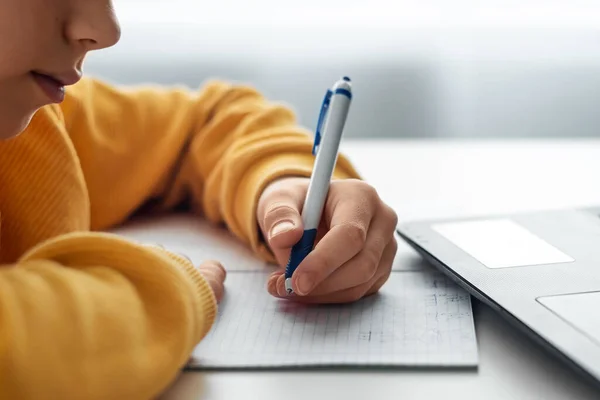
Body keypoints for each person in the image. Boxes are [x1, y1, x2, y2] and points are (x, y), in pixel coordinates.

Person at [0, 0, 399, 398]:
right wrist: (159, 295)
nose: (106, 31)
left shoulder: (32, 124)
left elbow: (199, 125)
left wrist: (280, 182)